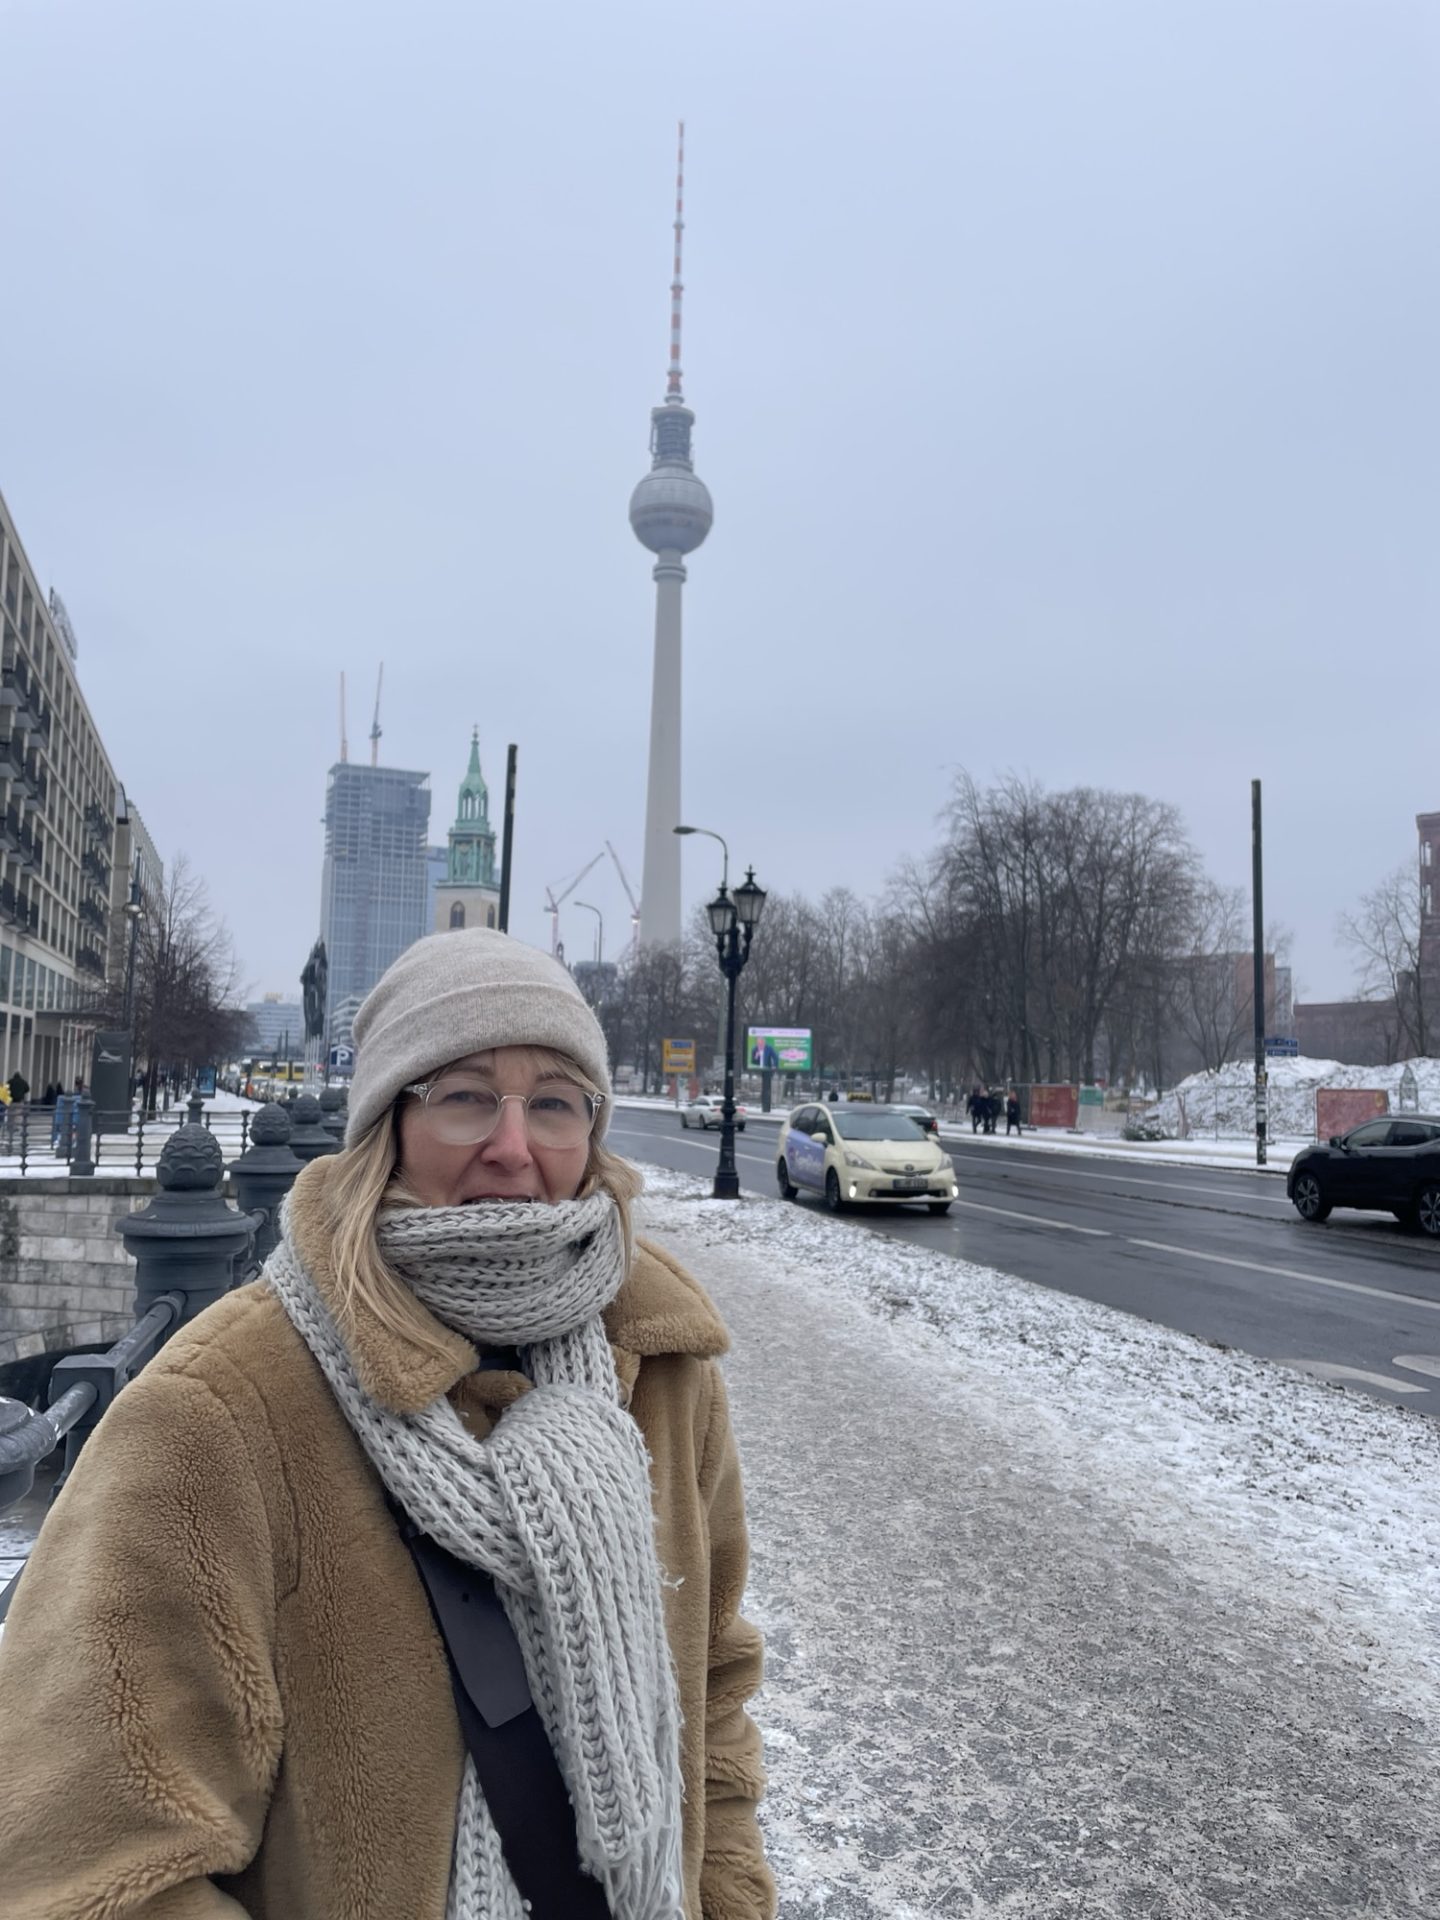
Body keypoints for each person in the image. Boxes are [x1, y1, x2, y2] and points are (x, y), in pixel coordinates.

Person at [0, 930, 775, 1920]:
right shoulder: (218, 1411)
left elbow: (712, 1685)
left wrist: (730, 1894)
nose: (514, 1146)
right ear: (385, 1127)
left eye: (554, 1102)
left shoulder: (661, 1365)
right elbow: (87, 1862)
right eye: (464, 1097)